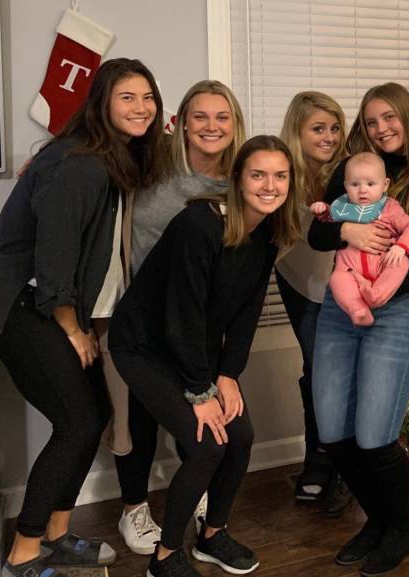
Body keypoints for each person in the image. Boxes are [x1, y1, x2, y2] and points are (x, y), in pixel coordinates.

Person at [0, 58, 168, 577]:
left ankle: (56, 536)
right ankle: (23, 556)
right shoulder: (80, 162)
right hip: (19, 304)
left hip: (42, 304)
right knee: (78, 421)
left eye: (147, 97)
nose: (141, 107)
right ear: (101, 101)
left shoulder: (109, 158)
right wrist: (71, 326)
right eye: (127, 97)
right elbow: (54, 253)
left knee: (92, 415)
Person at [108, 135, 295, 577]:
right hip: (144, 346)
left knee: (241, 437)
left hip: (195, 348)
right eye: (258, 174)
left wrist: (229, 374)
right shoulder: (200, 224)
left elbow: (247, 311)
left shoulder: (269, 230)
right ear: (236, 179)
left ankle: (212, 536)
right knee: (207, 444)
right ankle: (165, 557)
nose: (270, 185)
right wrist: (200, 390)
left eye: (280, 175)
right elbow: (181, 315)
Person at [309, 82, 409, 576]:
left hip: (395, 310)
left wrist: (397, 257)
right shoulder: (354, 168)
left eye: (389, 117)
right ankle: (380, 520)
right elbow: (317, 230)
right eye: (370, 121)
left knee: (374, 435)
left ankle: (397, 528)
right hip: (339, 308)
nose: (380, 128)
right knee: (332, 427)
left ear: (407, 117)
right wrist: (350, 230)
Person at [109, 79, 246, 556]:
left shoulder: (239, 184)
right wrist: (43, 161)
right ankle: (133, 507)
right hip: (138, 315)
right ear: (182, 122)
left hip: (192, 324)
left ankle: (199, 499)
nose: (212, 126)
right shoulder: (155, 161)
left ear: (235, 124)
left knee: (201, 422)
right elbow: (96, 151)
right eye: (201, 116)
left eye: (222, 117)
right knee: (135, 421)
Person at [274, 91, 349, 511]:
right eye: (318, 128)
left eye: (335, 128)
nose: (329, 137)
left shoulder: (350, 172)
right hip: (300, 283)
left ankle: (336, 464)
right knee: (317, 372)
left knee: (337, 376)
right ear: (298, 131)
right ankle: (318, 460)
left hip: (342, 286)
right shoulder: (284, 175)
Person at [313, 151, 409, 326]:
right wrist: (322, 209)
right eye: (355, 184)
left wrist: (401, 246)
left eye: (371, 184)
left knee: (401, 264)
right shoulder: (344, 207)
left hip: (383, 262)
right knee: (337, 279)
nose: (363, 190)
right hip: (350, 269)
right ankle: (357, 308)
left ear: (385, 185)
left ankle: (376, 295)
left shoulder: (390, 208)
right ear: (346, 186)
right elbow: (327, 220)